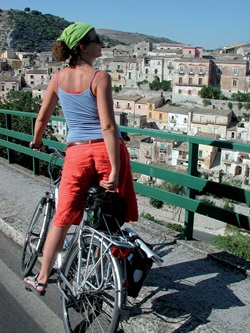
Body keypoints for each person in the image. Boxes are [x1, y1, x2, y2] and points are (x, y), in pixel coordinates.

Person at [24, 22, 138, 295]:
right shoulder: (100, 77)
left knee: (62, 219)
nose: (102, 44)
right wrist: (115, 167)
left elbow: (42, 116)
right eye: (97, 39)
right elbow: (108, 127)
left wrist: (37, 141)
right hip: (106, 151)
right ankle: (106, 273)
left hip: (76, 153)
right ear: (83, 47)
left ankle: (41, 279)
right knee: (110, 213)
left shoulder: (57, 78)